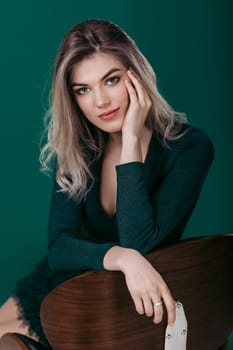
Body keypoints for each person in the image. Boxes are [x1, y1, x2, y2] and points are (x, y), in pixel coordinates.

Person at [0, 18, 214, 347]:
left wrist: (130, 139)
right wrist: (123, 258)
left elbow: (139, 241)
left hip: (132, 300)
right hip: (69, 281)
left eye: (111, 80)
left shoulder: (189, 147)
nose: (100, 101)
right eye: (83, 90)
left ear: (136, 77)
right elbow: (59, 249)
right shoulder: (79, 149)